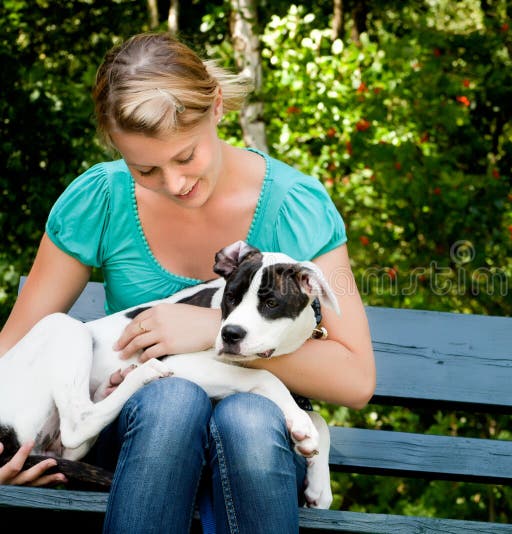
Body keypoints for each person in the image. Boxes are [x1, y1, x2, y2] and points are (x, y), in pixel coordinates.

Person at [0, 32, 375, 533]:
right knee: (172, 398)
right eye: (145, 168)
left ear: (217, 107)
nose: (175, 183)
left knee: (246, 415)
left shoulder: (297, 207)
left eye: (186, 156)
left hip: (251, 452)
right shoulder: (101, 198)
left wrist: (207, 327)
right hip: (132, 443)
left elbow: (355, 378)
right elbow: (18, 344)